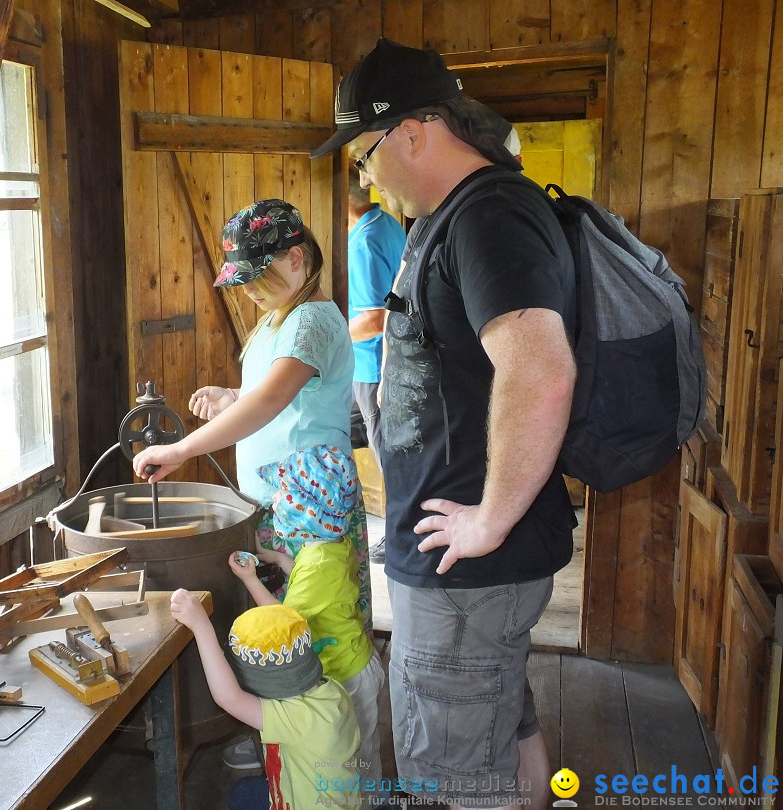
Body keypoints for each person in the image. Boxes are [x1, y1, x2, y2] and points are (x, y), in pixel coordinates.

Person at [311, 39, 577, 810]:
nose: (362, 174)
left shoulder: (488, 216)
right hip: (468, 579)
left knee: (455, 776)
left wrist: (489, 521)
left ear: (409, 133)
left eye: (362, 154)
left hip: (470, 573)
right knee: (501, 718)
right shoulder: (452, 214)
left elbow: (540, 369)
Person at [131, 198, 372, 770]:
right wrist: (228, 399)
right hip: (279, 498)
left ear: (296, 257)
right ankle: (286, 724)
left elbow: (273, 400)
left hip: (310, 503)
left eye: (257, 277)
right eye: (242, 281)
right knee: (282, 617)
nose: (250, 291)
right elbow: (281, 398)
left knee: (318, 623)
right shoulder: (277, 316)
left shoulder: (313, 317)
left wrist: (184, 447)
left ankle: (337, 745)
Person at [229, 444, 385, 800]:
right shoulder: (330, 544)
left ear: (307, 512)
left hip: (347, 677)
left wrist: (252, 580)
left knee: (352, 760)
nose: (277, 502)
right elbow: (300, 570)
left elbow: (287, 624)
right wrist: (276, 558)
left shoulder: (317, 566)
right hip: (355, 661)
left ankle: (368, 803)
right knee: (362, 752)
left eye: (285, 495)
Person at [169, 592, 362, 810]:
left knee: (241, 795)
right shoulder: (332, 691)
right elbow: (286, 624)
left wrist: (201, 626)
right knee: (242, 793)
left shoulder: (298, 720)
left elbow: (229, 698)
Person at [347, 165, 406, 564]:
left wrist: (330, 338)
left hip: (373, 368)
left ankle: (404, 539)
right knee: (342, 434)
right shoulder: (387, 223)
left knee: (390, 459)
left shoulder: (364, 243)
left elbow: (374, 317)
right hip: (374, 366)